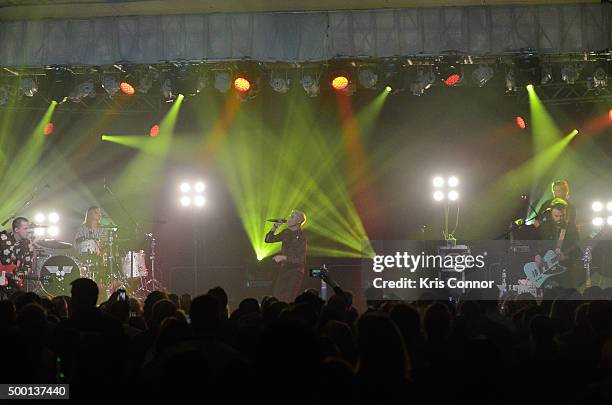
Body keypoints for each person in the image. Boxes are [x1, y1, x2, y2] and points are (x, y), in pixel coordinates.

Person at [265, 210, 307, 303]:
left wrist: (284, 257)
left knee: (288, 298)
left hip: (295, 271)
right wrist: (275, 227)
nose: (288, 219)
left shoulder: (301, 237)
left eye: (292, 217)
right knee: (277, 296)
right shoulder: (286, 232)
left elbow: (300, 259)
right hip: (284, 269)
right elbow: (268, 240)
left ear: (298, 221)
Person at [0, 217, 33, 294]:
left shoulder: (28, 244)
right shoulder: (2, 239)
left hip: (14, 283)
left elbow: (29, 265)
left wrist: (20, 274)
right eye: (25, 228)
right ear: (16, 230)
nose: (28, 231)